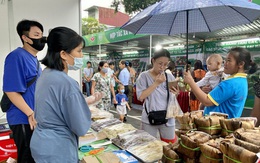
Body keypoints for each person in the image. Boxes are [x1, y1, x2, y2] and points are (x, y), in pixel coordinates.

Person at [29, 27, 100, 162]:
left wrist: (83, 102)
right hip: (58, 149)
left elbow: (54, 107)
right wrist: (85, 109)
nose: (81, 56)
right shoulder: (67, 83)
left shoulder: (45, 75)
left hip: (41, 143)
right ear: (63, 54)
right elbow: (80, 127)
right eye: (79, 51)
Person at [2, 19, 46, 163]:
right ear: (25, 38)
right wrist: (30, 113)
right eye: (37, 34)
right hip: (23, 118)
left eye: (42, 34)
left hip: (32, 118)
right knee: (27, 157)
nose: (42, 38)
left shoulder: (34, 59)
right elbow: (11, 91)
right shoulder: (16, 57)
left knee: (35, 156)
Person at [184, 47, 251, 118]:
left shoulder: (230, 83)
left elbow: (207, 101)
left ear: (240, 64)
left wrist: (191, 82)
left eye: (229, 60)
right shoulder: (241, 80)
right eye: (225, 60)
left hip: (218, 126)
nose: (225, 63)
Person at [136, 49, 179, 143]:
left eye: (165, 64)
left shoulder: (169, 76)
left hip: (168, 118)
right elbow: (140, 97)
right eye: (160, 63)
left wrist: (175, 93)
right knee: (148, 146)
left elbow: (173, 96)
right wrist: (156, 83)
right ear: (153, 61)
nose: (162, 67)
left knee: (169, 146)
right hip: (149, 118)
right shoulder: (143, 76)